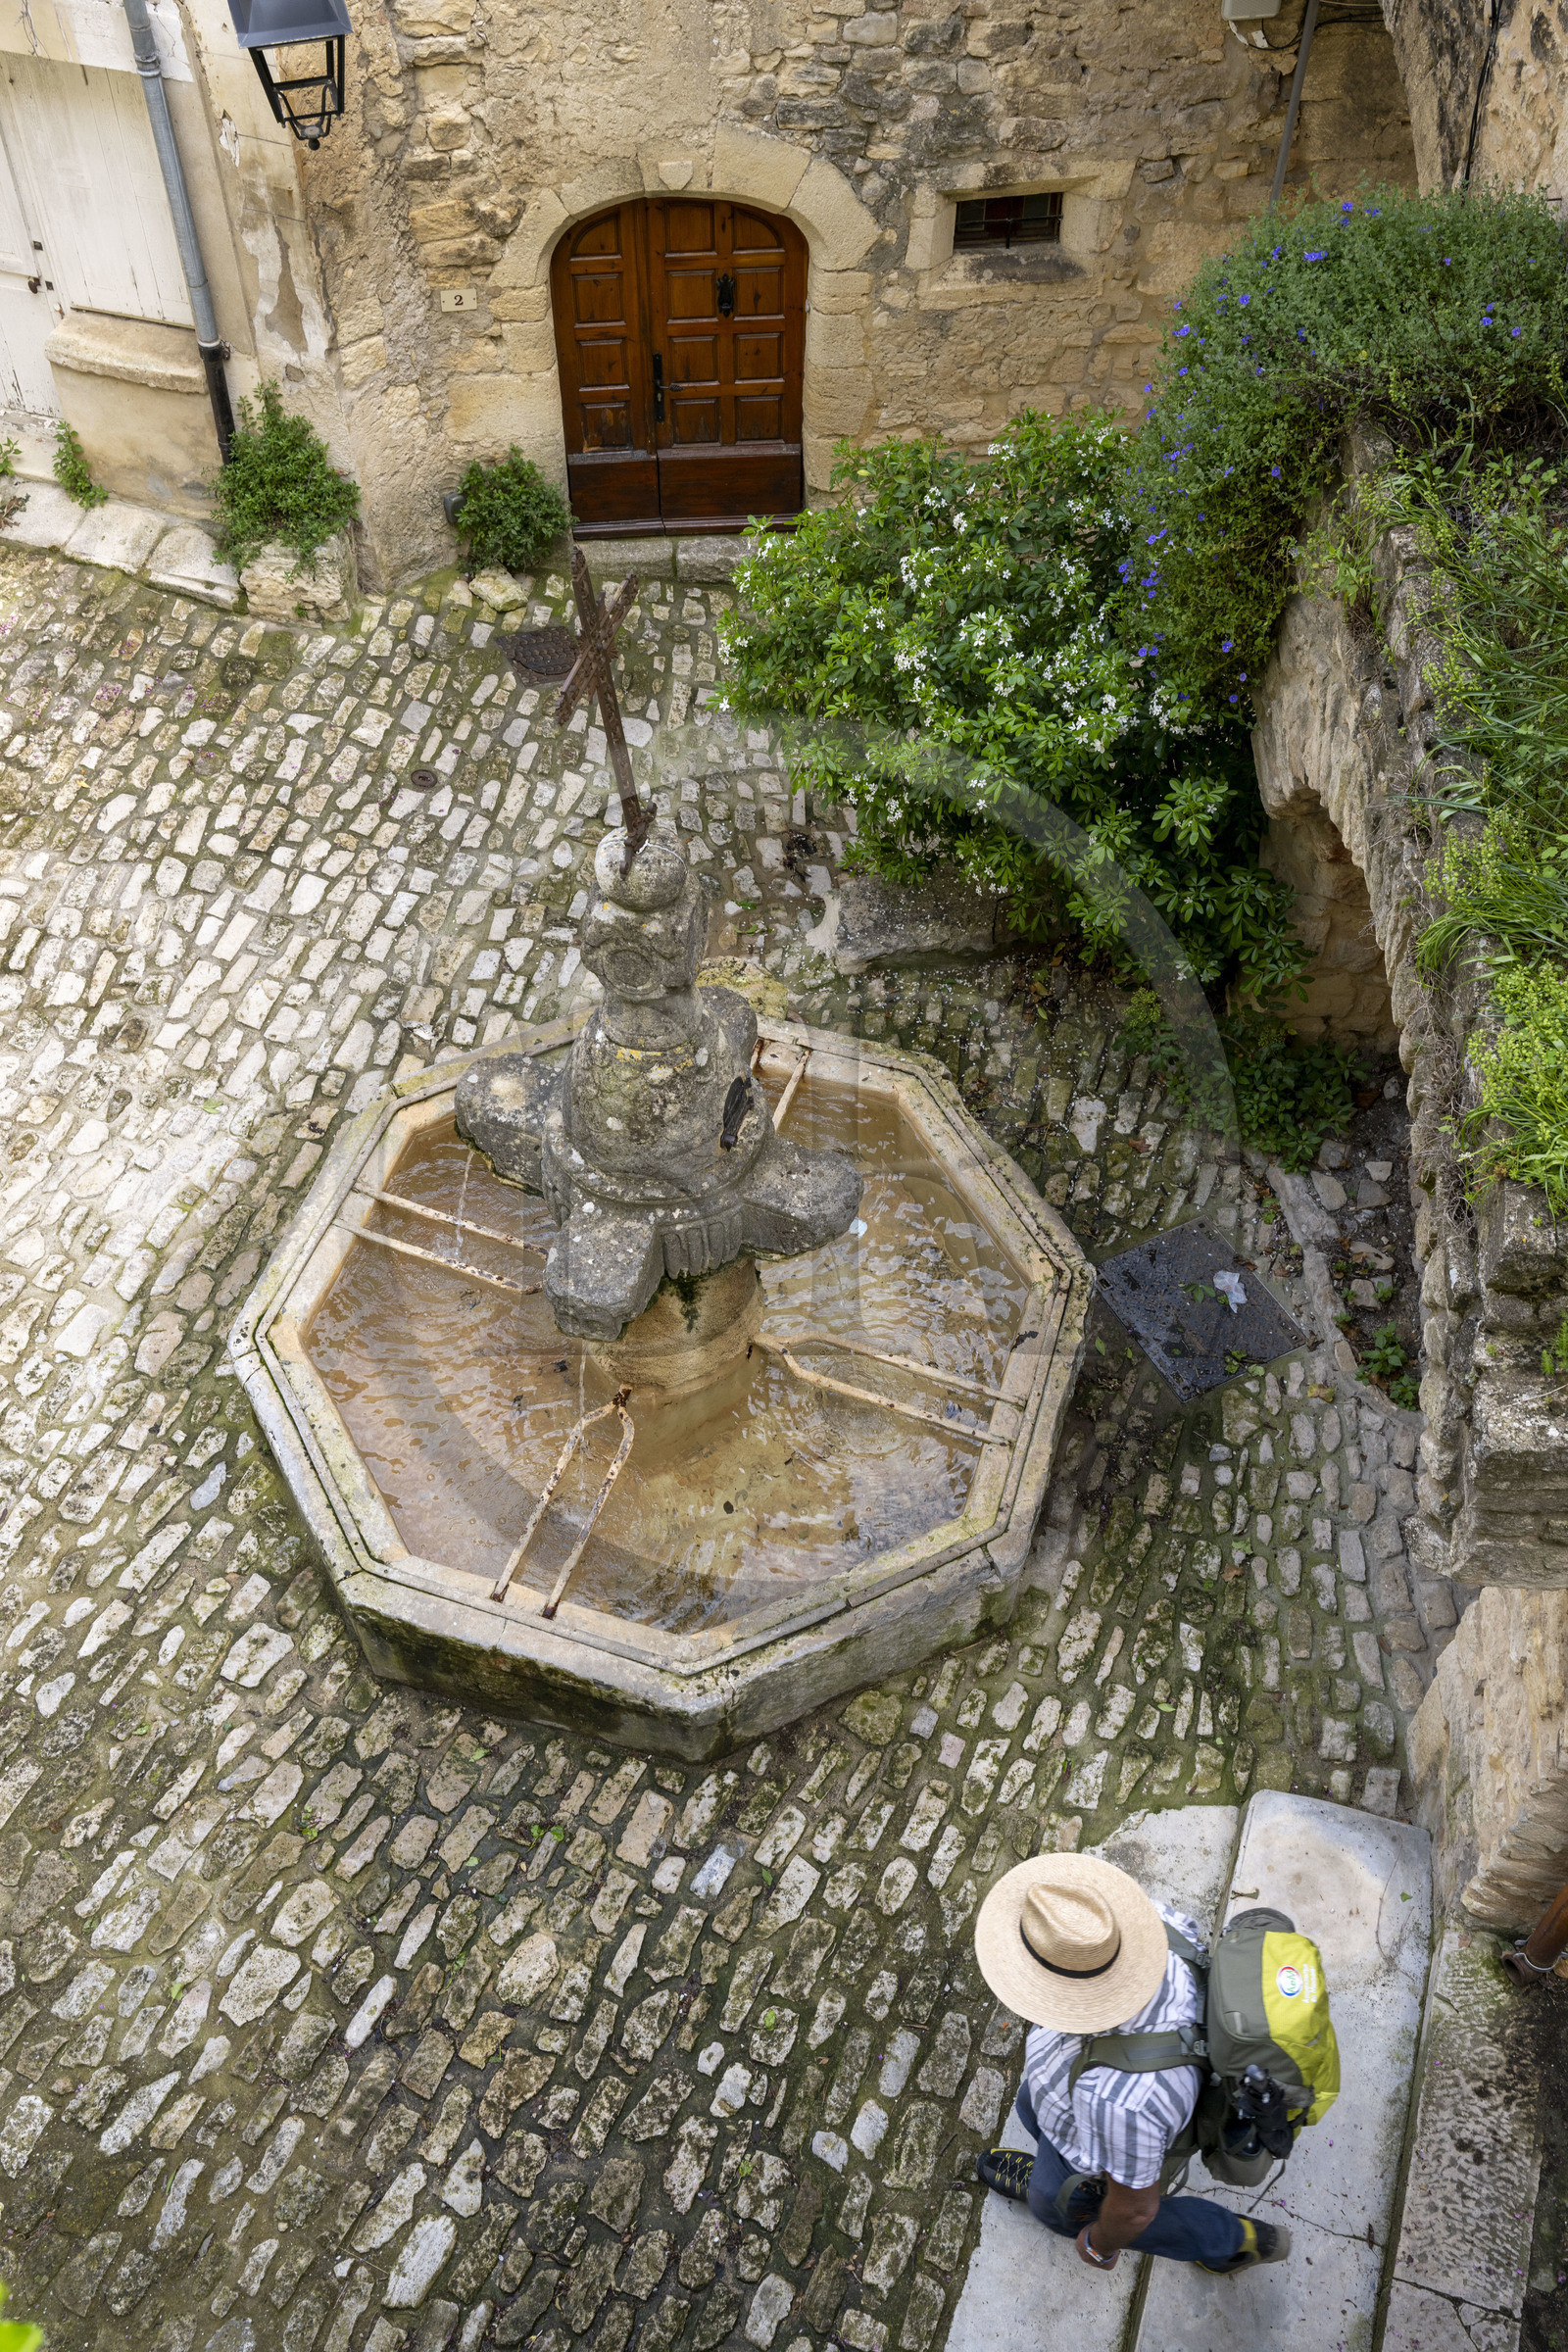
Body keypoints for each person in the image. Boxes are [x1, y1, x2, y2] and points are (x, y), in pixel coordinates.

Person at [970, 1852, 1292, 2275]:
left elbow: (1137, 2210)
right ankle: (1052, 2164)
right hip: (1092, 2103)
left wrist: (1100, 2242)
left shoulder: (1119, 2104)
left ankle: (1233, 2241)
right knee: (1030, 2106)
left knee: (1055, 2204)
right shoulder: (1153, 1922)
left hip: (1119, 2139)